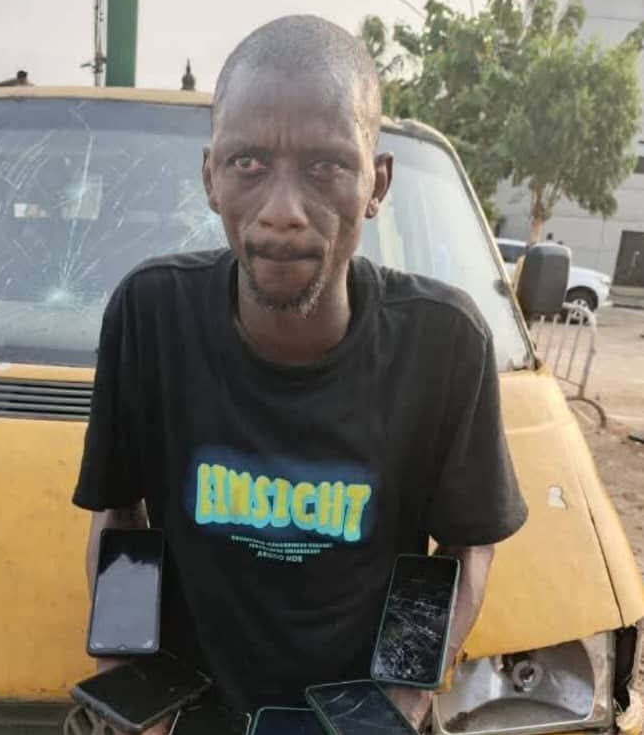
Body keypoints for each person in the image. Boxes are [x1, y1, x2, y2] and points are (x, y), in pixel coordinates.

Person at [72, 14, 528, 734]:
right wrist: (133, 693)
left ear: (376, 184)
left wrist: (398, 702)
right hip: (192, 713)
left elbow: (468, 543)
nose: (283, 211)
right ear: (210, 178)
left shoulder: (444, 343)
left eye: (326, 167)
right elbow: (124, 514)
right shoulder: (149, 317)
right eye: (248, 164)